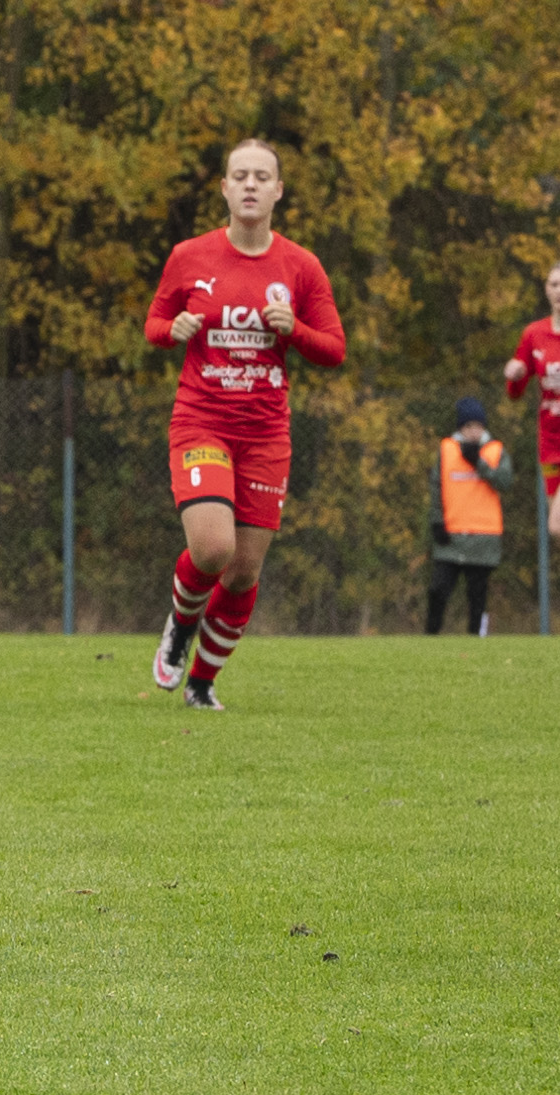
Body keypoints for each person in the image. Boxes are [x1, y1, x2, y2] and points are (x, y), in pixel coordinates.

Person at [145, 140, 346, 710]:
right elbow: (155, 322)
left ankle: (203, 684)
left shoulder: (301, 266)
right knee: (212, 549)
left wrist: (296, 331)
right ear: (226, 189)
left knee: (241, 573)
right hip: (202, 422)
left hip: (265, 435)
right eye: (241, 176)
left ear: (279, 190)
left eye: (262, 176)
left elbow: (334, 348)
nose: (251, 184)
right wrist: (172, 330)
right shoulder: (190, 256)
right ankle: (181, 627)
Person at [426, 396, 510, 636]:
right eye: (469, 426)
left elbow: (505, 481)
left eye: (478, 426)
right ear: (461, 428)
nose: (474, 432)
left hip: (484, 537)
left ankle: (476, 640)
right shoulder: (447, 450)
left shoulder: (495, 450)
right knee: (438, 589)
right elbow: (436, 487)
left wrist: (479, 464)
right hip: (451, 536)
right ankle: (429, 638)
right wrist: (437, 520)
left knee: (477, 595)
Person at [501, 262, 560, 541]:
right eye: (554, 284)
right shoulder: (534, 334)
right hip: (550, 439)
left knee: (556, 525)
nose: (559, 290)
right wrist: (516, 375)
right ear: (546, 290)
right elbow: (514, 394)